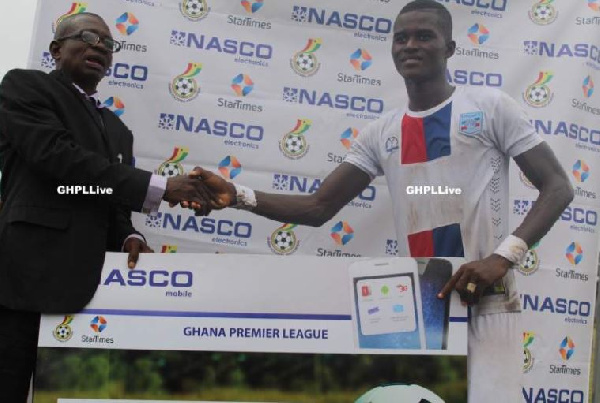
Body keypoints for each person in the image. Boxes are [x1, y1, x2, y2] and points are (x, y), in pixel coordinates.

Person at [186, 1, 574, 400]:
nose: (410, 45)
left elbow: (558, 186)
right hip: (426, 304)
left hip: (488, 298)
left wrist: (501, 257)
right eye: (401, 38)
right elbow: (319, 208)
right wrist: (239, 196)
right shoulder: (380, 132)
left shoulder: (490, 107)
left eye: (424, 36)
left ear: (450, 48)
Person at [0, 12, 210, 401]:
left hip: (91, 287)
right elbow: (58, 160)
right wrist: (161, 186)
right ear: (56, 50)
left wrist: (127, 233)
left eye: (108, 44)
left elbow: (101, 194)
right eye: (87, 37)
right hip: (22, 278)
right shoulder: (22, 87)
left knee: (68, 394)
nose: (99, 47)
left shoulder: (117, 130)